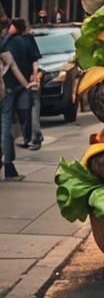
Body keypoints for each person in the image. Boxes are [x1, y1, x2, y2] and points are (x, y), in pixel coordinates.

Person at [0, 19, 40, 180]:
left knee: (6, 123)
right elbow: (15, 67)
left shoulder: (6, 42)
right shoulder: (25, 40)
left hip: (7, 89)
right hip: (11, 88)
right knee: (9, 124)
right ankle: (9, 165)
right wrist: (29, 83)